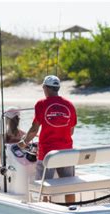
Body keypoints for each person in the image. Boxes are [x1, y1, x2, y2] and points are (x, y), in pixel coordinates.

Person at [18, 75, 77, 203]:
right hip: (66, 153)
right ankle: (72, 208)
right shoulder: (70, 105)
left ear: (46, 88)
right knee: (69, 187)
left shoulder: (41, 104)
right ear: (57, 88)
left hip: (47, 154)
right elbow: (71, 131)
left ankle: (45, 210)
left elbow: (34, 129)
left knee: (43, 188)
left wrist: (24, 142)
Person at [0, 108, 25, 188]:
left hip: (4, 168)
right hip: (18, 166)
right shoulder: (24, 136)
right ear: (18, 120)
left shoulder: (1, 137)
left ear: (6, 120)